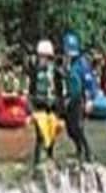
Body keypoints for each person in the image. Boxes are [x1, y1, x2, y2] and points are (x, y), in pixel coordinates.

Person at [27, 38, 64, 167]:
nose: (41, 59)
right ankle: (37, 162)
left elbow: (60, 93)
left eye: (43, 56)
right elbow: (31, 92)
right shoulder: (35, 72)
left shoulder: (56, 72)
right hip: (39, 108)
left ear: (49, 57)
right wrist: (30, 111)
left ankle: (50, 157)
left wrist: (61, 115)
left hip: (53, 109)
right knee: (40, 136)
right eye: (40, 56)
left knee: (51, 135)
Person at [61, 31, 95, 163]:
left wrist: (90, 100)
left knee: (79, 127)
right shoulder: (66, 63)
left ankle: (88, 152)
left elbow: (89, 82)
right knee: (70, 129)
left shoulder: (82, 64)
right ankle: (78, 149)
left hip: (80, 99)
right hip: (70, 98)